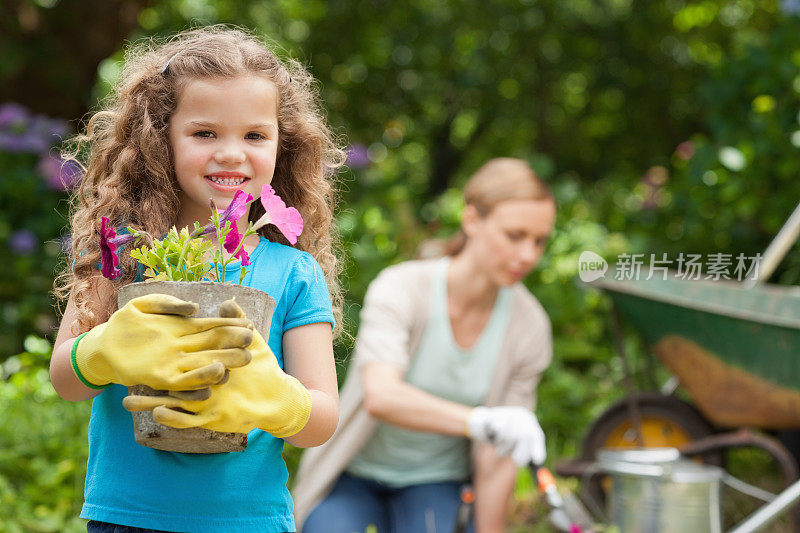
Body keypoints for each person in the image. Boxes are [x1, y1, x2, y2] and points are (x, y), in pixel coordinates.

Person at [50, 26, 344, 533]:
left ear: (281, 144)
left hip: (249, 521)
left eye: (255, 135)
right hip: (126, 519)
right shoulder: (122, 249)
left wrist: (278, 398)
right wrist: (102, 349)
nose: (232, 153)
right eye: (205, 133)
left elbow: (322, 420)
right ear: (159, 139)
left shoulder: (294, 271)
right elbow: (65, 379)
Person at [293, 158, 556, 533]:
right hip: (353, 473)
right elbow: (382, 395)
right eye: (515, 236)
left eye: (539, 241)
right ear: (472, 220)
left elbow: (498, 457)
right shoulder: (402, 288)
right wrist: (481, 421)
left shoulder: (529, 327)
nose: (528, 255)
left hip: (436, 481)